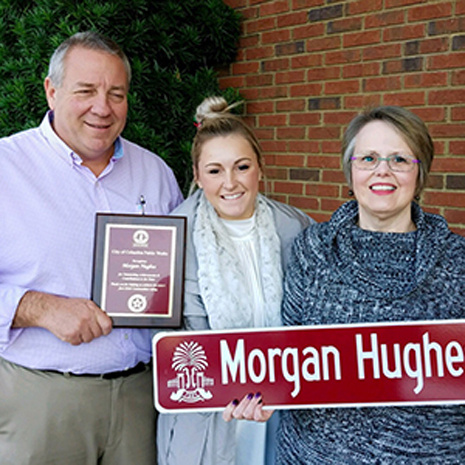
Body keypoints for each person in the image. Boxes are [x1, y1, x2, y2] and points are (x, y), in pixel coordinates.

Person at [0, 31, 183, 465]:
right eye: (86, 91)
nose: (102, 107)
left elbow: (189, 281)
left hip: (141, 400)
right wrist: (39, 308)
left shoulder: (155, 173)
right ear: (52, 89)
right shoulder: (6, 167)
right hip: (41, 402)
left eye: (116, 94)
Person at [277, 106, 465, 463]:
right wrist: (261, 395)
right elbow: (287, 362)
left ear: (419, 171)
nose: (383, 170)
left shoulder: (459, 261)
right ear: (350, 169)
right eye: (368, 158)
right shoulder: (311, 250)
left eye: (399, 159)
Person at [156, 96, 313, 465]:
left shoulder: (298, 228)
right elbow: (164, 349)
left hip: (282, 415)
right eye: (214, 171)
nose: (230, 183)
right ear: (196, 175)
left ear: (259, 167)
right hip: (206, 423)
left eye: (242, 167)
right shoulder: (170, 239)